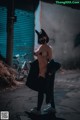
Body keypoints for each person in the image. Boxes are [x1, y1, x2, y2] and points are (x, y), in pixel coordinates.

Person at [31, 29, 56, 114]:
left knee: (41, 92)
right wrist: (37, 53)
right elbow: (37, 53)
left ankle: (38, 110)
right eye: (40, 38)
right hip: (47, 73)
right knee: (49, 90)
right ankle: (52, 108)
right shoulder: (43, 47)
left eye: (42, 38)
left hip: (45, 73)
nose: (41, 39)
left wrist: (41, 54)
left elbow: (48, 58)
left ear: (45, 38)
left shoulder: (45, 47)